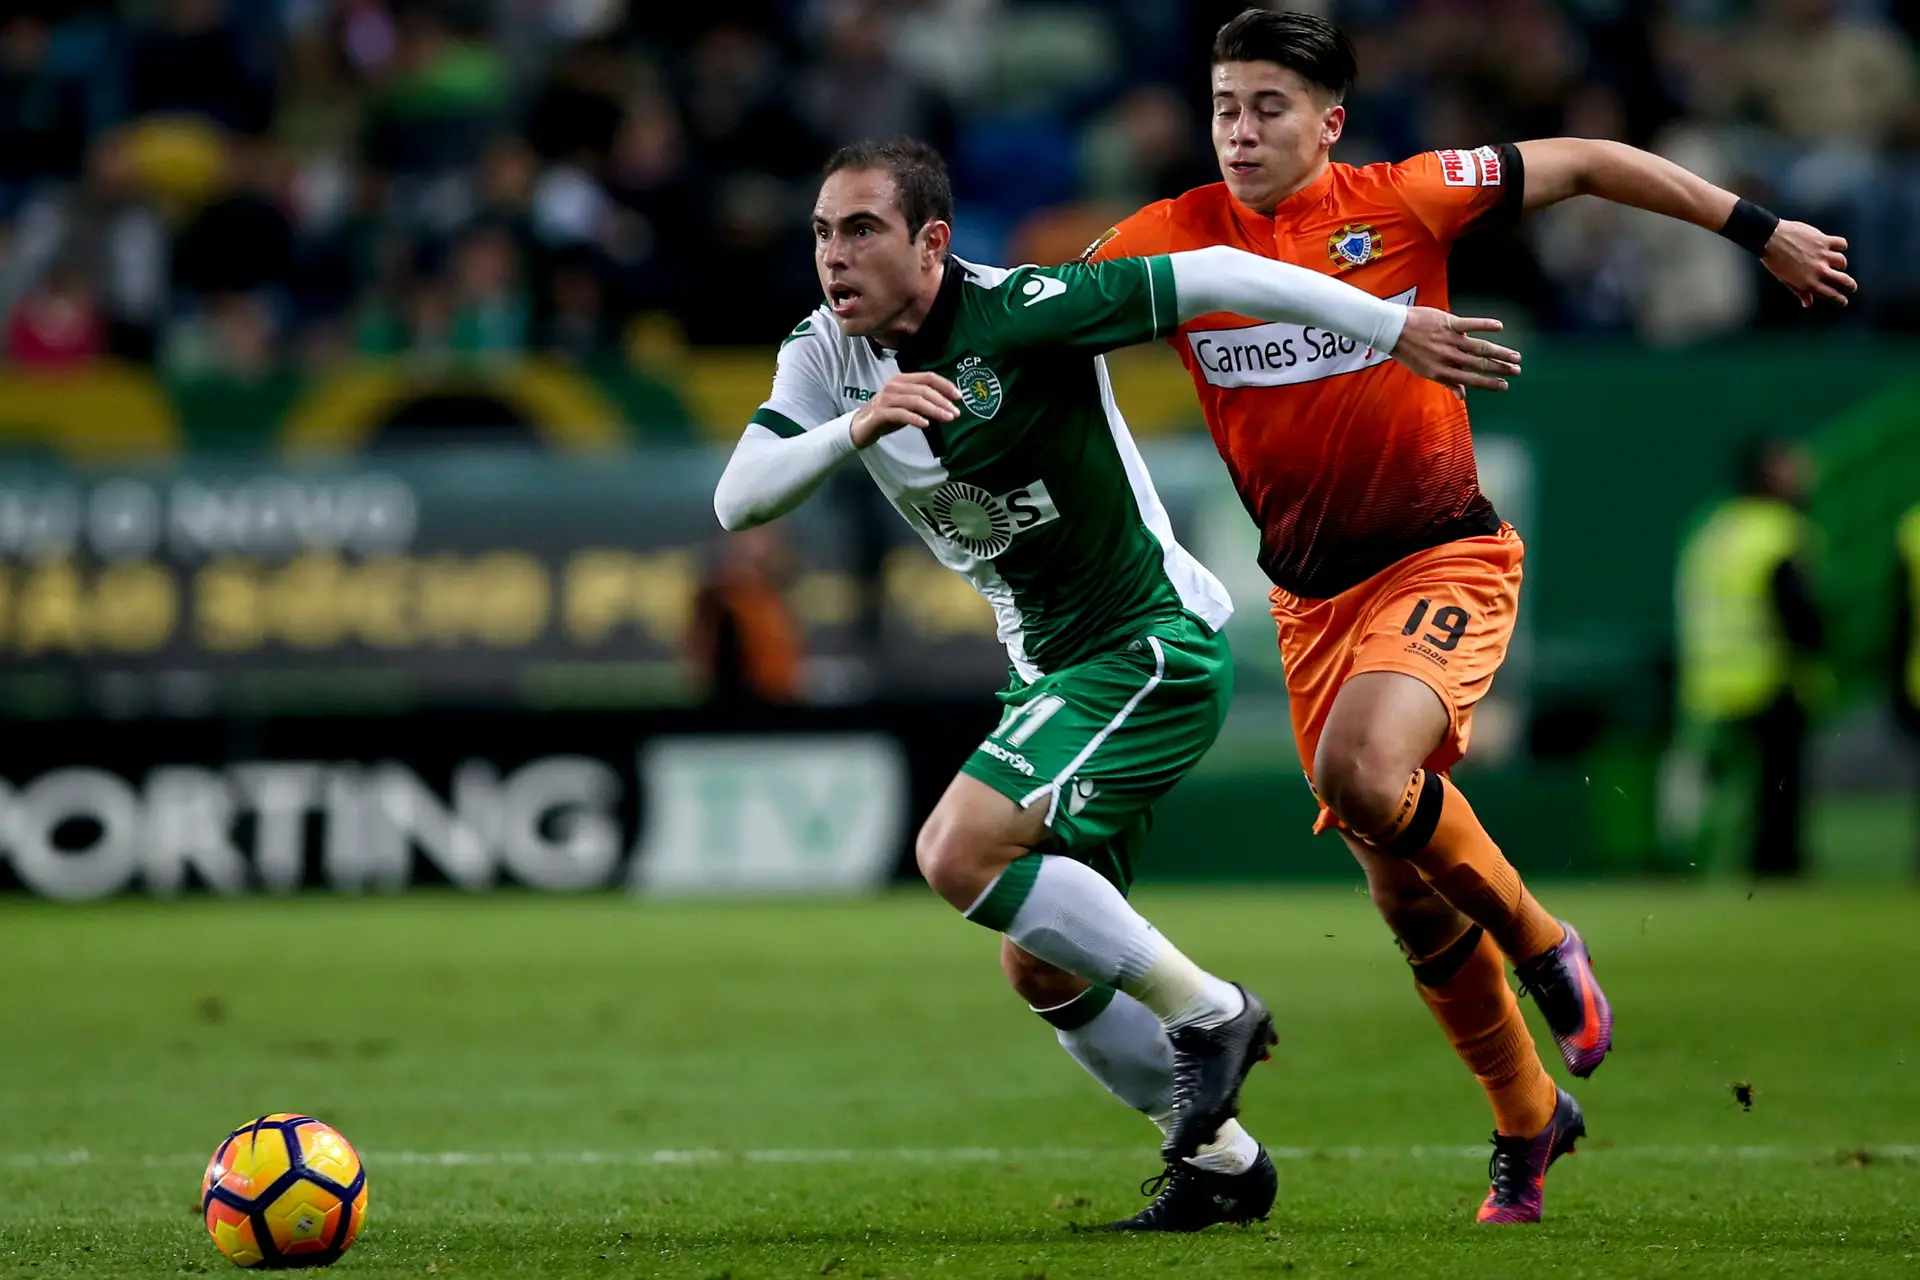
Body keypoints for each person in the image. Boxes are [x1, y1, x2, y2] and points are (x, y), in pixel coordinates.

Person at [1083, 9, 1855, 1224]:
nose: (1240, 130)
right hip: (1312, 603)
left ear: (1329, 123)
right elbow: (1036, 312)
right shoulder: (1168, 238)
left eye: (1269, 107)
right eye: (1225, 106)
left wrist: (1758, 230)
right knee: (1402, 892)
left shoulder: (1403, 198)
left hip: (1442, 554)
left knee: (1362, 769)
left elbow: (1588, 160)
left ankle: (1546, 942)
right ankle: (1528, 1113)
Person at [712, 137, 1519, 1231]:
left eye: (861, 230)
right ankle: (1224, 1163)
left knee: (955, 850)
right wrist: (859, 423)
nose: (833, 255)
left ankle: (1212, 1010)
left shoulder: (1023, 311)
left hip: (1149, 647)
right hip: (1051, 672)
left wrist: (1389, 329)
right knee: (1042, 967)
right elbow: (739, 499)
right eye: (821, 232)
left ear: (932, 243)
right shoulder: (824, 355)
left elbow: (1218, 273)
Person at [1677, 440, 1827, 878]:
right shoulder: (1780, 532)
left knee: (1719, 788)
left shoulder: (1714, 528)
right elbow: (1797, 611)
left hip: (1708, 681)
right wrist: (1817, 653)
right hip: (1766, 678)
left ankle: (1697, 862)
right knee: (1776, 790)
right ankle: (1776, 867)